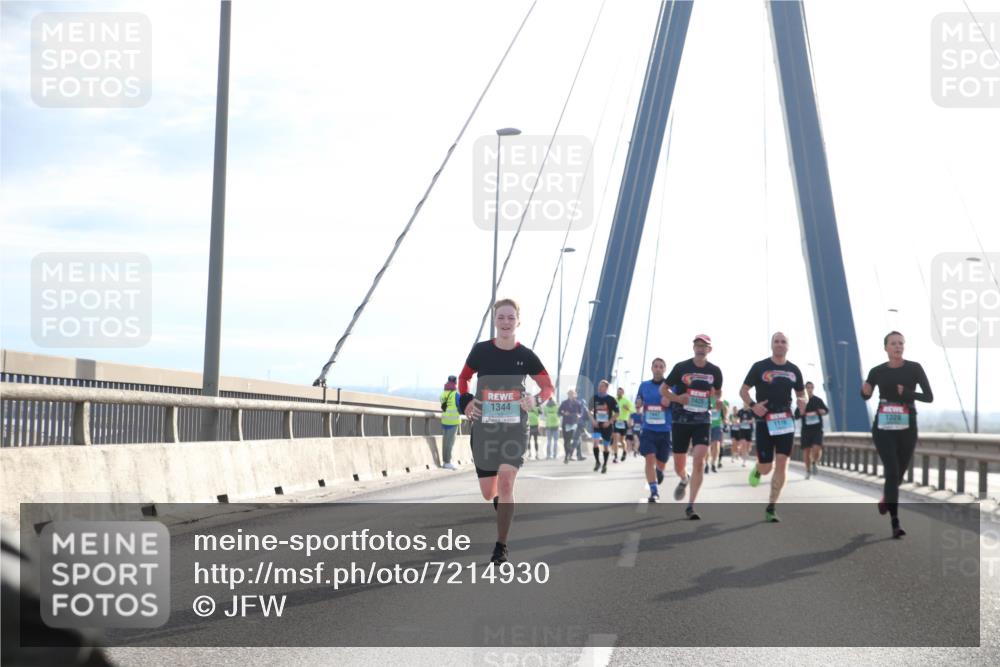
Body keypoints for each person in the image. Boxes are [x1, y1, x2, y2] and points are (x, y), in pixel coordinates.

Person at [458, 298, 554, 564]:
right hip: (485, 428)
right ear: (495, 321)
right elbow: (463, 379)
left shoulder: (525, 356)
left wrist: (536, 400)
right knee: (490, 492)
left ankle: (501, 545)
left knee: (507, 482)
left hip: (515, 428)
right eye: (501, 317)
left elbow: (548, 386)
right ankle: (502, 504)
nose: (506, 322)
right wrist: (466, 401)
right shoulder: (480, 351)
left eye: (511, 318)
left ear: (518, 322)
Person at [861, 331, 933, 539]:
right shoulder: (877, 371)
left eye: (901, 343)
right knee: (892, 471)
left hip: (907, 425)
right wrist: (864, 391)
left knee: (898, 474)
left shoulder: (914, 368)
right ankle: (895, 522)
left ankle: (887, 499)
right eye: (893, 343)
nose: (898, 346)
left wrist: (908, 393)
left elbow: (929, 397)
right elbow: (866, 394)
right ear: (886, 348)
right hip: (883, 426)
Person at [741, 331, 806, 523]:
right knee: (767, 467)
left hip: (785, 421)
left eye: (783, 341)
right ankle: (758, 470)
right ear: (771, 345)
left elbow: (802, 394)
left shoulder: (794, 370)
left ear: (788, 346)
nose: (779, 344)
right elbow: (743, 390)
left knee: (782, 463)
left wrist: (803, 401)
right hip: (764, 422)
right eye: (776, 341)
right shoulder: (760, 367)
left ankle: (771, 506)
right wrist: (753, 406)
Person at [661, 335, 723, 520]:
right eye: (698, 345)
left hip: (702, 420)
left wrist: (717, 400)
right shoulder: (681, 367)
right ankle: (684, 478)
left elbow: (717, 393)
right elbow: (663, 390)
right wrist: (678, 398)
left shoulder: (715, 371)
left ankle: (691, 506)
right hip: (680, 420)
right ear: (693, 347)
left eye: (704, 346)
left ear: (709, 350)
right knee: (679, 464)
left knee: (699, 460)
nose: (700, 348)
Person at [635, 358, 672, 502]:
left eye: (661, 367)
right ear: (652, 368)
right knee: (649, 459)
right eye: (655, 366)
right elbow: (638, 401)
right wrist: (638, 403)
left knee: (662, 461)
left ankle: (660, 471)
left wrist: (670, 401)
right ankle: (654, 491)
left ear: (664, 369)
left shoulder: (670, 387)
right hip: (648, 429)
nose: (658, 369)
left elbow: (676, 402)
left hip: (664, 430)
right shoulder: (644, 385)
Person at [795, 381, 829, 479]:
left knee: (816, 448)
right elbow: (796, 415)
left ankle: (814, 463)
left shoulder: (818, 400)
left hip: (817, 429)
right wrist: (801, 412)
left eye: (811, 388)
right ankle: (807, 470)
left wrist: (822, 411)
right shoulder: (802, 402)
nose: (809, 390)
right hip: (806, 430)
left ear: (813, 389)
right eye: (807, 388)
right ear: (805, 390)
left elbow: (826, 410)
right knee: (806, 451)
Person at [590, 380, 618, 473]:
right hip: (597, 425)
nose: (599, 387)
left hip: (607, 426)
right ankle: (597, 462)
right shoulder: (594, 398)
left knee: (606, 447)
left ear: (606, 388)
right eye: (599, 385)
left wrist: (609, 422)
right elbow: (588, 410)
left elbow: (617, 413)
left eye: (602, 386)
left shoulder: (611, 399)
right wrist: (593, 420)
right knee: (595, 443)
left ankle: (605, 465)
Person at [439, 375, 461, 470]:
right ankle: (447, 462)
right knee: (450, 443)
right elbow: (460, 407)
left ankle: (445, 461)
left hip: (445, 420)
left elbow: (443, 406)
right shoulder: (456, 395)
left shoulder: (443, 394)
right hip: (453, 421)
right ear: (455, 383)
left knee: (445, 442)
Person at [559, 389, 586, 463]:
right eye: (569, 394)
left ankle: (570, 455)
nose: (571, 395)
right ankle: (567, 455)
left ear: (575, 395)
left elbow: (580, 413)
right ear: (568, 395)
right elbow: (559, 412)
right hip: (566, 423)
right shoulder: (564, 403)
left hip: (574, 423)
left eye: (572, 394)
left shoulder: (578, 403)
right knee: (566, 441)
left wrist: (578, 415)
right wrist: (564, 413)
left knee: (574, 439)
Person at [613, 387, 635, 463]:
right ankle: (615, 457)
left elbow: (633, 410)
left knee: (622, 440)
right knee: (615, 439)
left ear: (623, 393)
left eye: (620, 392)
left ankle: (624, 452)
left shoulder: (627, 401)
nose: (618, 393)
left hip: (623, 422)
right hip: (616, 421)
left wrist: (627, 408)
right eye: (617, 392)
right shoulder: (614, 400)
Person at [706, 395, 727, 473]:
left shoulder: (722, 400)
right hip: (707, 424)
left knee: (716, 444)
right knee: (707, 445)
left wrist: (722, 406)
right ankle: (706, 464)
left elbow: (725, 412)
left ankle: (713, 463)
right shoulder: (706, 398)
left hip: (717, 425)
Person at [732, 401, 755, 466]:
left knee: (749, 447)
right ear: (743, 403)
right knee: (743, 444)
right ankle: (744, 461)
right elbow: (737, 419)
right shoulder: (740, 411)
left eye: (747, 403)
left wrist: (748, 421)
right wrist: (738, 422)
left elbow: (753, 420)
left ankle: (744, 453)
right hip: (742, 430)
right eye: (745, 403)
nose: (746, 404)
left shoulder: (751, 411)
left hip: (749, 430)